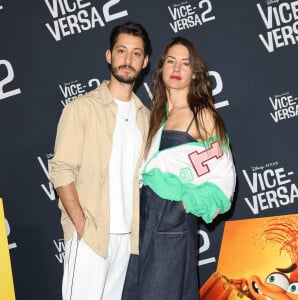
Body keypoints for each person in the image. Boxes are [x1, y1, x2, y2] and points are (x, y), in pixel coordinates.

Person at [122, 37, 236, 300]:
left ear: (194, 74)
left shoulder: (203, 115)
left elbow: (224, 180)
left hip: (171, 218)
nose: (176, 68)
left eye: (185, 63)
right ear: (161, 68)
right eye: (171, 61)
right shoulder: (155, 115)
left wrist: (181, 206)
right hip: (143, 217)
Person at [49, 21, 151, 300]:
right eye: (121, 51)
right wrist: (81, 225)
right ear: (109, 55)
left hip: (126, 240)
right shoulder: (81, 109)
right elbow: (61, 170)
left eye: (136, 53)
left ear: (145, 62)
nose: (127, 60)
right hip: (91, 237)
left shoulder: (146, 117)